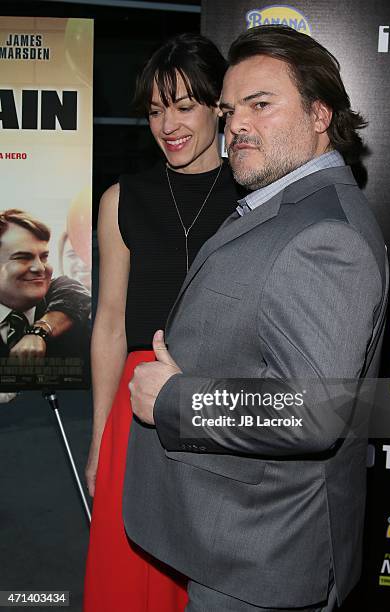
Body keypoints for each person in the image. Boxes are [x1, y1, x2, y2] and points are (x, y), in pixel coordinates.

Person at [125, 25, 389, 612]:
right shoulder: (281, 205)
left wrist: (174, 399)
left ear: (320, 114)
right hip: (236, 542)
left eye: (260, 105)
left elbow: (311, 409)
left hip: (263, 557)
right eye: (229, 108)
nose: (236, 123)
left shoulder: (325, 234)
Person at [83, 33, 244, 612]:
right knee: (128, 578)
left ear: (216, 107)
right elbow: (108, 324)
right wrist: (101, 437)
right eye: (156, 110)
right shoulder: (121, 199)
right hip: (137, 407)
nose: (168, 125)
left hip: (219, 403)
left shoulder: (254, 194)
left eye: (183, 106)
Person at [0, 209, 90, 361]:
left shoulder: (67, 296)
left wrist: (38, 332)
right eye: (23, 257)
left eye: (44, 257)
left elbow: (75, 293)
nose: (40, 268)